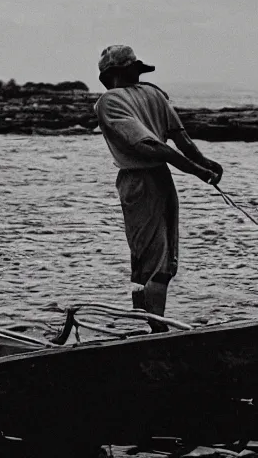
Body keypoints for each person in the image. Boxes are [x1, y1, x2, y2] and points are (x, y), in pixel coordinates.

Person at [93, 45, 223, 333]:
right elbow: (182, 141)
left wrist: (200, 169)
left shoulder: (108, 101)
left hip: (138, 182)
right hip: (162, 179)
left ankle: (155, 330)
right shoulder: (155, 94)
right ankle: (148, 325)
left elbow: (150, 146)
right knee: (157, 257)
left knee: (149, 258)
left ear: (109, 75)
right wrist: (201, 164)